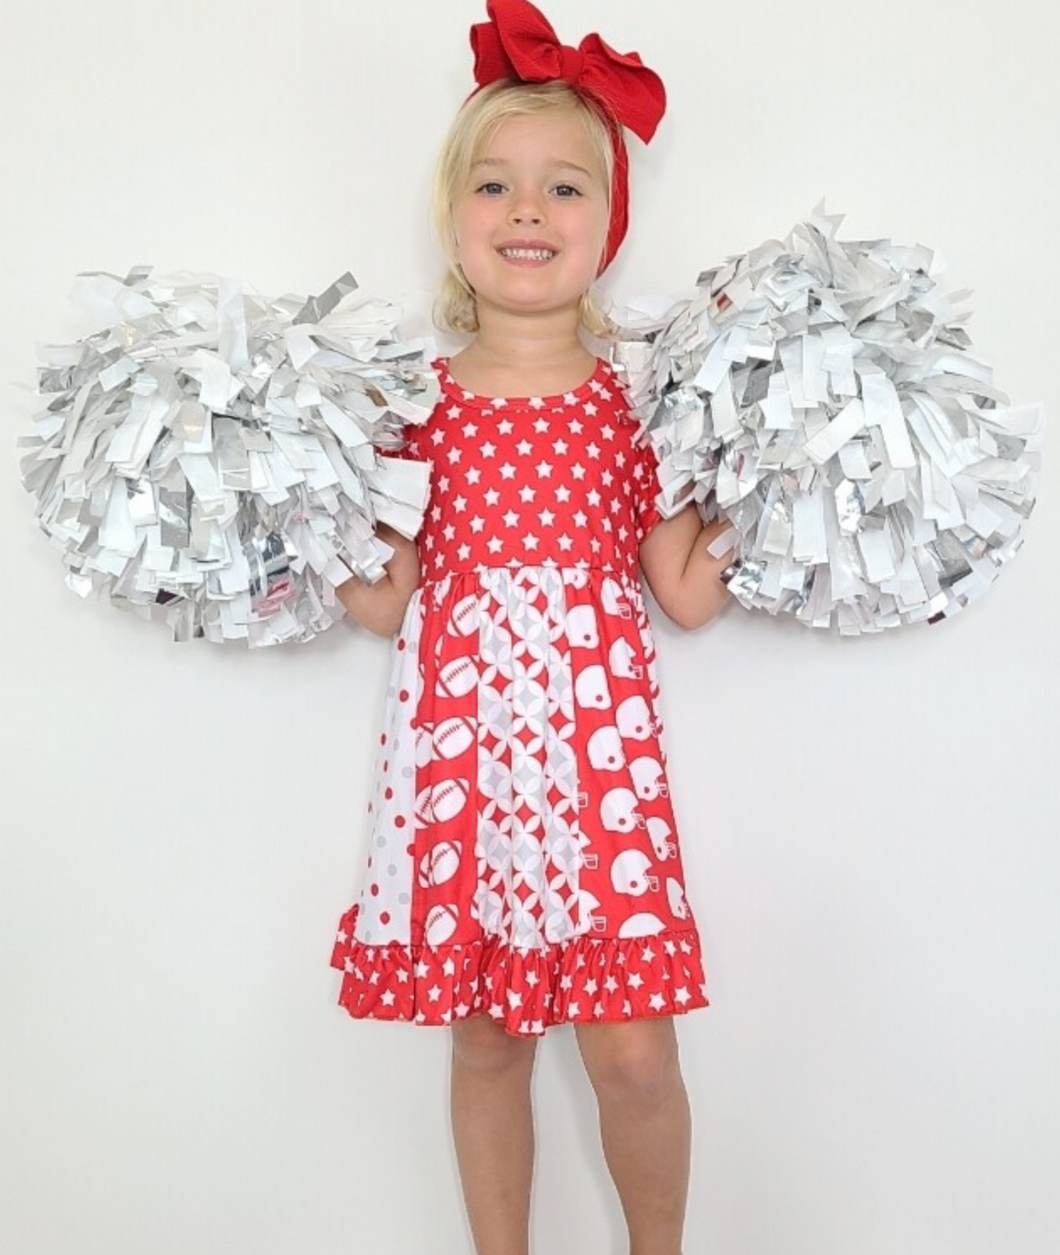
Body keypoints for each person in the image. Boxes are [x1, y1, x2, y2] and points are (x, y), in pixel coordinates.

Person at [331, 3, 737, 1252]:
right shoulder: (415, 407)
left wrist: (760, 470)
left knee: (631, 1054)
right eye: (495, 186)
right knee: (491, 1041)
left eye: (564, 189)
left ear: (605, 225)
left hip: (595, 770)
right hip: (460, 764)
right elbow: (386, 600)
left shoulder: (635, 401)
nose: (527, 211)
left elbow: (683, 588)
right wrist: (304, 503)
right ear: (454, 220)